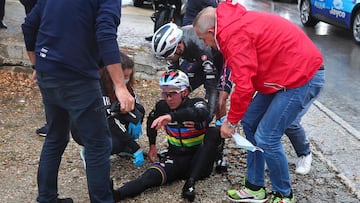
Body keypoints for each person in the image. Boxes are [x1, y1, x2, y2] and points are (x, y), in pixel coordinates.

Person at [193, 2, 324, 203]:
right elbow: (247, 74)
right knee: (251, 123)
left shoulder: (232, 36)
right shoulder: (229, 25)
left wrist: (231, 122)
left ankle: (283, 195)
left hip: (302, 75)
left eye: (204, 40)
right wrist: (236, 117)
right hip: (280, 75)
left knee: (267, 136)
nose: (205, 45)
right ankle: (255, 187)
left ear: (212, 31)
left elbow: (244, 86)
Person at [22, 1, 135, 202]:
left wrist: (36, 63)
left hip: (48, 72)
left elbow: (29, 25)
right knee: (98, 144)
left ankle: (46, 198)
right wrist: (119, 85)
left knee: (55, 137)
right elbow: (106, 34)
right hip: (78, 78)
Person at [113, 69, 222, 202]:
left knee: (214, 132)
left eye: (172, 94)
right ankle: (116, 194)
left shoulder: (196, 103)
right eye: (165, 94)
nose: (168, 98)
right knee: (149, 177)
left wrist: (172, 116)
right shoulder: (162, 106)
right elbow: (151, 122)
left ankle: (191, 182)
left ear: (185, 92)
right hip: (177, 158)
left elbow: (203, 113)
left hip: (199, 159)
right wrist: (152, 145)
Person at [151, 22, 232, 172]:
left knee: (220, 100)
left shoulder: (200, 46)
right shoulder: (177, 45)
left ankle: (219, 152)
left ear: (179, 46)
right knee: (181, 89)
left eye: (169, 56)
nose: (168, 60)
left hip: (221, 62)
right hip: (198, 60)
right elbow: (175, 75)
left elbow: (212, 88)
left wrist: (205, 121)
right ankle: (182, 142)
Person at [72, 52, 145, 168]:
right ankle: (90, 152)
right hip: (86, 128)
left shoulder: (124, 87)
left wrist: (136, 119)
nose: (126, 80)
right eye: (124, 77)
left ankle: (124, 146)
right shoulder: (99, 89)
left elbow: (136, 105)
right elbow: (110, 120)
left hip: (107, 120)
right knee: (114, 143)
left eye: (129, 76)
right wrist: (136, 147)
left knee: (136, 112)